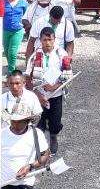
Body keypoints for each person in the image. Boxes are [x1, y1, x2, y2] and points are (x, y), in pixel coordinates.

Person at [25, 26, 68, 155]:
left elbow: (68, 74)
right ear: (40, 40)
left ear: (54, 40)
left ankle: (53, 136)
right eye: (44, 40)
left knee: (55, 120)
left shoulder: (62, 54)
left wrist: (54, 86)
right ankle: (41, 146)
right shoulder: (35, 56)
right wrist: (38, 95)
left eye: (50, 39)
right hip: (40, 96)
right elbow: (28, 78)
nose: (47, 43)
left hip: (56, 95)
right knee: (40, 121)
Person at [2, 0, 28, 74]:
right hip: (5, 30)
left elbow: (26, 15)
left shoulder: (23, 3)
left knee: (12, 52)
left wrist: (23, 25)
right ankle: (12, 66)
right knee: (6, 51)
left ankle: (11, 73)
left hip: (17, 31)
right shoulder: (3, 3)